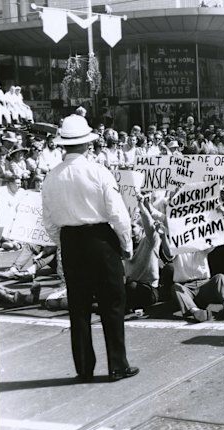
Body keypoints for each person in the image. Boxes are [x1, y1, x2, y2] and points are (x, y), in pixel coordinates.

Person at [41, 113, 139, 383]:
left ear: (64, 145)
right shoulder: (98, 172)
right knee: (112, 304)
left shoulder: (51, 177)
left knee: (79, 307)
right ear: (86, 144)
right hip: (100, 240)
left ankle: (84, 367)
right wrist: (126, 243)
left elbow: (48, 220)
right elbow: (118, 214)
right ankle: (117, 365)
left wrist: (63, 245)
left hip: (71, 241)